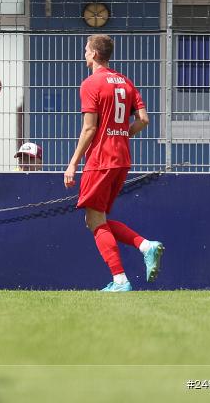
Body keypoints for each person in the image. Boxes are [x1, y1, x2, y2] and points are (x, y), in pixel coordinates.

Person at [64, 34, 164, 292]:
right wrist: (122, 133)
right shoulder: (126, 83)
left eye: (86, 50)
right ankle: (144, 246)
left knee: (94, 220)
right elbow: (144, 120)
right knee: (98, 219)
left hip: (100, 159)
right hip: (122, 159)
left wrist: (73, 163)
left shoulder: (90, 84)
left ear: (95, 54)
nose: (84, 54)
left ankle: (120, 279)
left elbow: (89, 129)